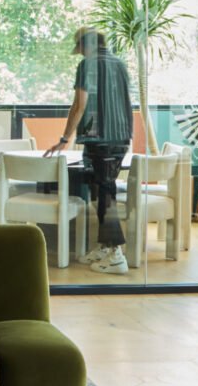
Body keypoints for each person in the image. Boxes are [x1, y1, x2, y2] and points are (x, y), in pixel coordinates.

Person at [46, 27, 134, 273]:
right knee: (100, 189)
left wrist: (65, 138)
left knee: (105, 192)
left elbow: (79, 105)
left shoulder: (88, 65)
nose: (81, 53)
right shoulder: (119, 64)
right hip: (121, 136)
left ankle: (116, 254)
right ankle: (105, 246)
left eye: (81, 48)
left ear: (87, 45)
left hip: (100, 138)